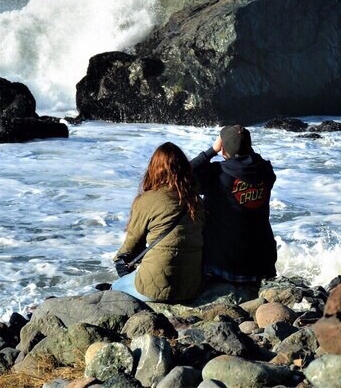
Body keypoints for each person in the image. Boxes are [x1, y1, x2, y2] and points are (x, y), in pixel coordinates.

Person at [110, 142, 205, 303]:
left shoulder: (148, 199)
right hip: (191, 287)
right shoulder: (197, 202)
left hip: (155, 289)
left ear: (155, 168)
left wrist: (120, 261)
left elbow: (131, 244)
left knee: (114, 289)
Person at [190, 125, 277, 296]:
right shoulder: (266, 170)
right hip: (259, 266)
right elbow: (253, 160)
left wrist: (211, 151)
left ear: (223, 149)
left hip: (225, 267)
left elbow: (179, 174)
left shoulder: (216, 174)